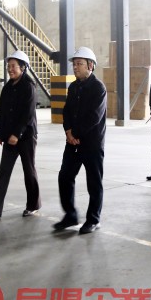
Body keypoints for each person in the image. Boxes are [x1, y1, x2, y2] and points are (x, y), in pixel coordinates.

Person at [0, 50, 41, 218]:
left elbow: (27, 115)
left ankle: (33, 205)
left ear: (23, 67)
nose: (10, 69)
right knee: (4, 171)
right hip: (9, 137)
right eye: (9, 66)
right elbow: (3, 113)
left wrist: (16, 134)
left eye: (13, 66)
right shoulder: (7, 87)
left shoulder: (29, 86)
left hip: (26, 136)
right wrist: (0, 134)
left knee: (29, 170)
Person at [53, 47, 107, 235]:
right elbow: (67, 111)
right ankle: (70, 215)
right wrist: (68, 131)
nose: (75, 67)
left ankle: (93, 219)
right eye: (74, 64)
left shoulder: (98, 88)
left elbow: (94, 117)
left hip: (92, 144)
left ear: (90, 66)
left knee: (94, 182)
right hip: (73, 142)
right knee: (65, 177)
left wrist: (75, 133)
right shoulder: (73, 87)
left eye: (79, 64)